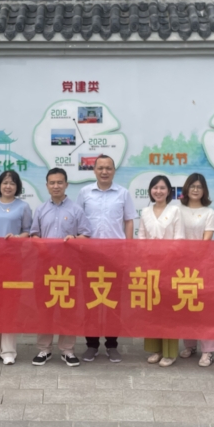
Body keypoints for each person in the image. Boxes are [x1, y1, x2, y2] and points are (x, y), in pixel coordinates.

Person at [77, 154, 138, 363]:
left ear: (114, 171)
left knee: (113, 302)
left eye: (108, 168)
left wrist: (128, 248)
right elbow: (78, 221)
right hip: (89, 255)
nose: (104, 172)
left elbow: (129, 221)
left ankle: (112, 345)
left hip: (115, 255)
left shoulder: (123, 193)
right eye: (101, 168)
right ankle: (92, 345)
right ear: (94, 170)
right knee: (90, 301)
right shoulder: (84, 193)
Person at [30, 168, 92, 368]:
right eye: (52, 183)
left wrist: (75, 239)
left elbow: (86, 235)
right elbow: (34, 235)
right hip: (45, 268)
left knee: (68, 308)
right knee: (45, 308)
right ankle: (44, 349)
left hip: (68, 269)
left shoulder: (76, 210)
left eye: (59, 182)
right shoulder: (40, 210)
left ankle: (67, 350)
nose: (56, 186)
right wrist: (39, 243)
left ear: (66, 184)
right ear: (47, 186)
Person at [0, 170, 32, 365]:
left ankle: (9, 350)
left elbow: (28, 231)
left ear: (17, 187)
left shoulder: (23, 206)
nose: (8, 186)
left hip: (13, 262)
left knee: (10, 305)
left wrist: (17, 238)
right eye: (5, 183)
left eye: (12, 183)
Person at [137, 175, 185, 366]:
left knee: (169, 309)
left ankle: (170, 353)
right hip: (149, 266)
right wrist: (146, 260)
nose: (158, 191)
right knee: (153, 307)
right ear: (150, 191)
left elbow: (179, 239)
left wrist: (166, 260)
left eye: (162, 188)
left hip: (170, 266)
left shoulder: (175, 211)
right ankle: (155, 350)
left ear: (169, 191)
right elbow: (141, 238)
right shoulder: (145, 211)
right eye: (155, 188)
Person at [177, 173, 214, 367]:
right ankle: (190, 344)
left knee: (203, 308)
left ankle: (208, 351)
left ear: (204, 191)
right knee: (186, 304)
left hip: (202, 264)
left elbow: (206, 239)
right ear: (186, 188)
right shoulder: (177, 210)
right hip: (180, 264)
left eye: (199, 187)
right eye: (192, 186)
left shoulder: (209, 212)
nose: (195, 189)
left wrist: (194, 257)